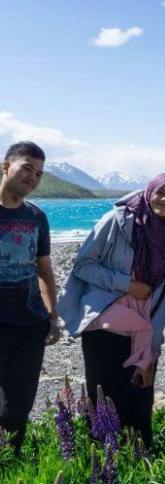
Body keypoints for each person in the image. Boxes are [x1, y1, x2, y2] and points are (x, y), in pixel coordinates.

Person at [58, 174, 165, 447]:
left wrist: (152, 348)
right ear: (148, 192)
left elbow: (162, 298)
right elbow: (83, 265)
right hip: (106, 327)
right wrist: (127, 284)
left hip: (143, 329)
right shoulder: (116, 221)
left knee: (139, 406)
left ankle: (138, 475)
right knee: (104, 404)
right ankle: (100, 472)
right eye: (160, 192)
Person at [0, 141, 60, 454]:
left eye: (38, 173)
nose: (33, 177)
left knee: (19, 405)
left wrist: (53, 315)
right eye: (27, 168)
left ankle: (11, 466)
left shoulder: (37, 217)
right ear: (5, 166)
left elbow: (45, 271)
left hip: (30, 324)